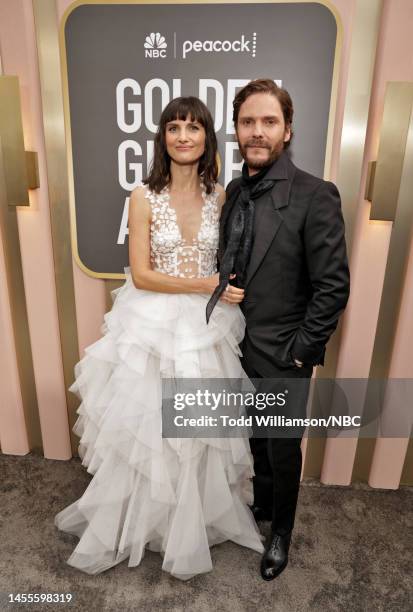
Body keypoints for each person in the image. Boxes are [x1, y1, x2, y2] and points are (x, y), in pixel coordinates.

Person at [54, 96, 264, 580]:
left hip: (208, 326)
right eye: (174, 127)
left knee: (198, 430)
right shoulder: (143, 195)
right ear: (163, 138)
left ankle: (190, 520)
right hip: (152, 322)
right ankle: (144, 518)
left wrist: (220, 287)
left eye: (193, 128)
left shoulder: (223, 196)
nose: (184, 136)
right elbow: (143, 274)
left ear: (208, 138)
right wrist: (205, 286)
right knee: (149, 428)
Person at [207, 79, 350, 581]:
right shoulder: (234, 190)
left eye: (269, 122)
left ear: (287, 130)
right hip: (233, 345)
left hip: (284, 351)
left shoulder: (315, 194)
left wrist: (301, 351)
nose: (258, 131)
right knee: (250, 439)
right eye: (248, 122)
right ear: (237, 130)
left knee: (283, 447)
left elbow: (333, 286)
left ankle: (281, 532)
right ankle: (260, 507)